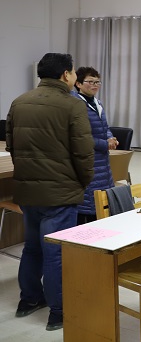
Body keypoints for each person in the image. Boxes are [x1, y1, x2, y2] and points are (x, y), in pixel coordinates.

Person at [6, 53, 94, 331]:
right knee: (56, 252)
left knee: (32, 247)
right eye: (73, 72)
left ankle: (29, 300)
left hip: (28, 190)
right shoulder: (72, 105)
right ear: (65, 75)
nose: (74, 77)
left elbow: (11, 145)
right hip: (60, 193)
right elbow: (83, 153)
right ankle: (59, 311)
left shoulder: (19, 102)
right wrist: (83, 182)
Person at [72, 67, 118, 224]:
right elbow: (80, 137)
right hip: (88, 160)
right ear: (78, 84)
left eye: (97, 82)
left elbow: (105, 127)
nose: (95, 85)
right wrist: (105, 144)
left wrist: (110, 138)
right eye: (90, 82)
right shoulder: (76, 104)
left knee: (102, 205)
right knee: (88, 207)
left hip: (102, 162)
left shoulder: (97, 102)